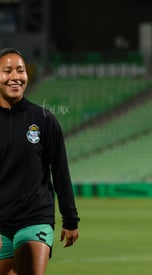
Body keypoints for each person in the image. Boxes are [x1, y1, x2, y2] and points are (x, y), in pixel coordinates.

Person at [0, 48, 80, 275]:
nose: (15, 76)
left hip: (35, 218)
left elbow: (60, 170)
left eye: (21, 70)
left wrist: (70, 218)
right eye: (7, 71)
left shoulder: (43, 119)